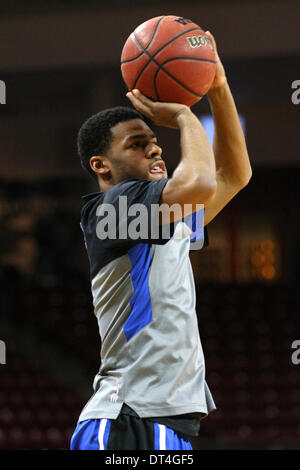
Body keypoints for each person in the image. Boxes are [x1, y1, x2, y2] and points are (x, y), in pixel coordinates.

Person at [70, 32, 252, 450]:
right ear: (101, 166)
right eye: (138, 146)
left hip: (164, 420)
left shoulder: (158, 216)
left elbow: (232, 177)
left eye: (155, 142)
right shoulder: (109, 211)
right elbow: (202, 180)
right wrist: (187, 118)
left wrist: (219, 86)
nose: (156, 151)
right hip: (129, 418)